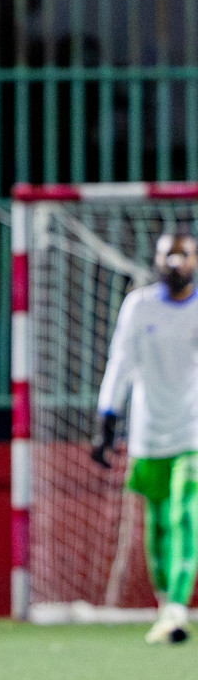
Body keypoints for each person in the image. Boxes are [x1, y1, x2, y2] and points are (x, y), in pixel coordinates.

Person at [92, 232, 198, 645]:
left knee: (184, 514)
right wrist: (106, 416)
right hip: (148, 433)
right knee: (156, 524)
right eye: (168, 254)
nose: (175, 262)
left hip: (191, 431)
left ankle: (178, 606)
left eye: (183, 254)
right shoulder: (139, 306)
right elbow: (120, 361)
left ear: (194, 260)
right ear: (156, 260)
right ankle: (166, 607)